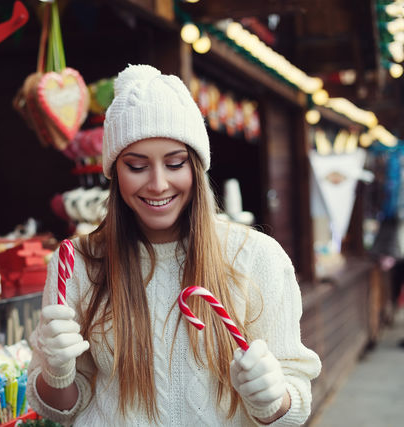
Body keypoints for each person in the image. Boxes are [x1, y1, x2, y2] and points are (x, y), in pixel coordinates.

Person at [26, 64, 321, 426]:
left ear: (196, 167)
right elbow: (60, 409)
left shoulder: (257, 258)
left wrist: (273, 398)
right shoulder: (77, 263)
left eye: (175, 163)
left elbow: (295, 403)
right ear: (114, 173)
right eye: (136, 166)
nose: (158, 184)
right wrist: (56, 372)